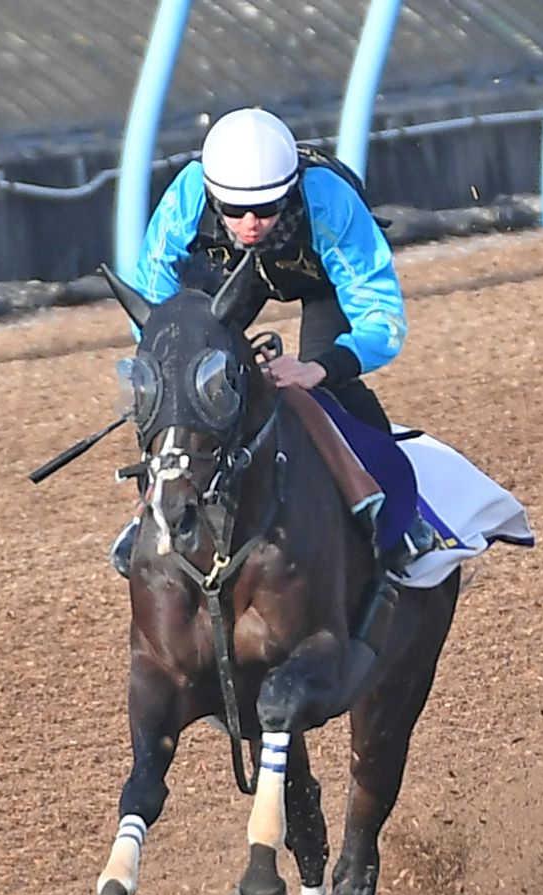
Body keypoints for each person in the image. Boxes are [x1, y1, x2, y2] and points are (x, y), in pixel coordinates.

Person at [110, 106, 433, 577]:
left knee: (331, 394)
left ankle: (400, 512)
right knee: (185, 396)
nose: (249, 224)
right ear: (212, 195)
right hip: (233, 280)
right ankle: (145, 516)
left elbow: (381, 318)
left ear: (290, 191)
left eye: (265, 209)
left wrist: (318, 368)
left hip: (320, 282)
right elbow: (156, 303)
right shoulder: (187, 196)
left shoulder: (329, 200)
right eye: (234, 210)